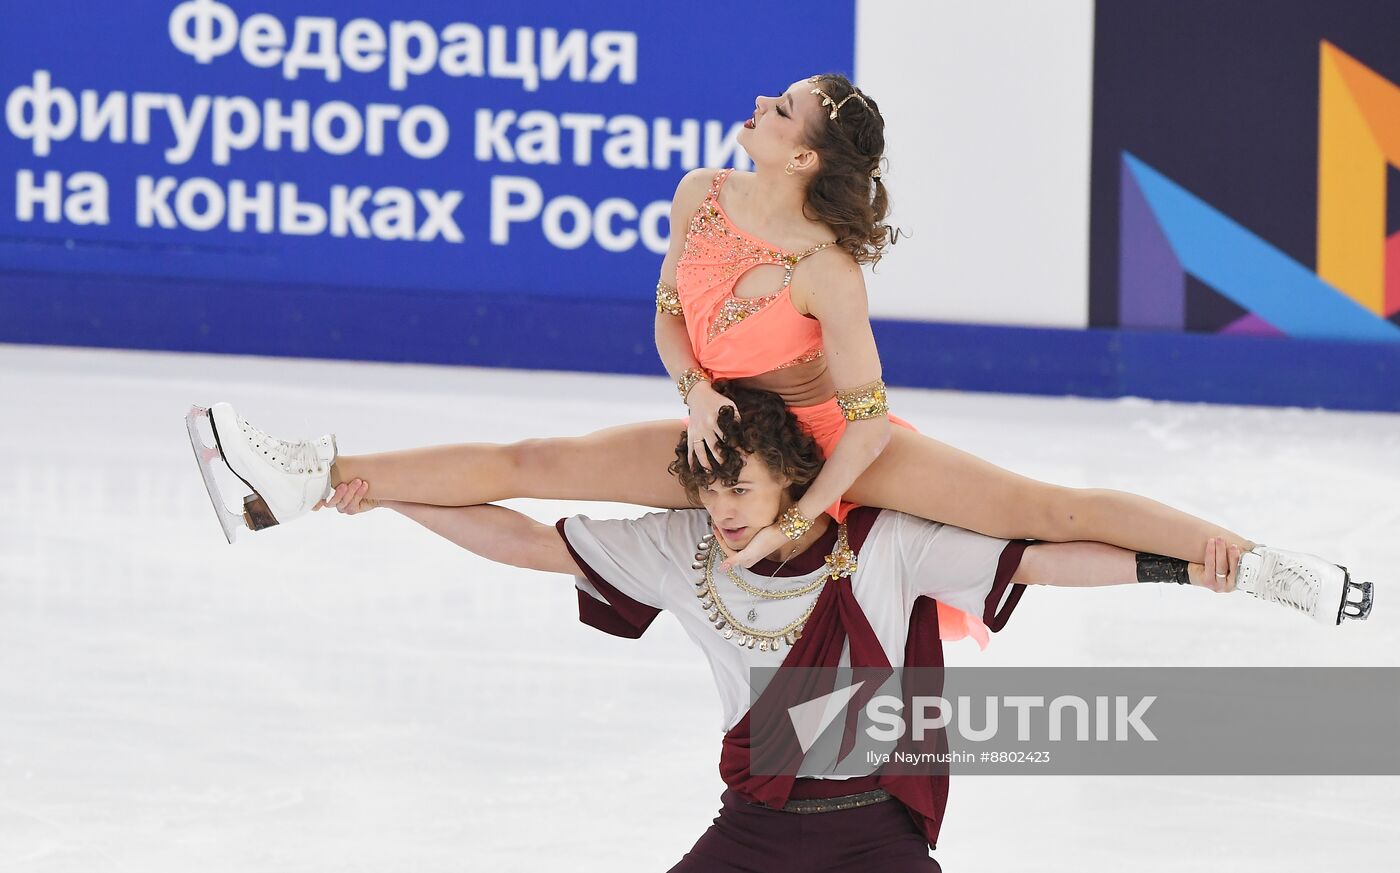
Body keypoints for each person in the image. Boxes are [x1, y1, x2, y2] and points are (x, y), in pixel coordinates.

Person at [185, 73, 1372, 636]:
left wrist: (816, 509)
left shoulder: (825, 270)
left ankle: (1257, 564)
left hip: (823, 446)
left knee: (1041, 508)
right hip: (723, 425)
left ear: (803, 157)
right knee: (531, 453)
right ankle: (306, 477)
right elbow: (664, 313)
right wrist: (694, 386)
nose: (762, 101)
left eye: (786, 106)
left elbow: (861, 414)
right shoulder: (699, 193)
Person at [311, 382, 1350, 872]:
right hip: (751, 830)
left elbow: (1039, 557)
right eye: (709, 488)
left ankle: (1252, 564)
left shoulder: (885, 544)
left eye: (743, 488)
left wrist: (1177, 570)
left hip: (871, 833)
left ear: (793, 485)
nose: (722, 508)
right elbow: (529, 543)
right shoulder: (676, 552)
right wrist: (388, 494)